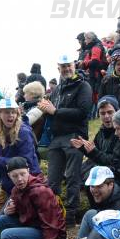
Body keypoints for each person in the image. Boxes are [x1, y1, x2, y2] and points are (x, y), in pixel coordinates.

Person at [40, 53, 93, 226]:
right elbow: (51, 112)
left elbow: (83, 111)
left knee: (72, 176)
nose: (67, 69)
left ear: (74, 65)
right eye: (63, 67)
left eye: (69, 65)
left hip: (74, 135)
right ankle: (53, 214)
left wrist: (55, 111)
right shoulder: (56, 90)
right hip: (56, 138)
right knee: (52, 180)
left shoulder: (83, 85)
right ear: (59, 69)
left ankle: (70, 216)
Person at [0, 98, 41, 214]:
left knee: (3, 220)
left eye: (13, 112)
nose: (10, 115)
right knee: (1, 219)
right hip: (10, 185)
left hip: (28, 184)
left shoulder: (23, 132)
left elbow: (25, 161)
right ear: (0, 114)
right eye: (7, 112)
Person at [72, 95, 120, 180]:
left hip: (115, 169)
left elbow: (115, 160)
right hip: (100, 164)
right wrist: (83, 148)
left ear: (117, 112)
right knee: (75, 172)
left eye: (110, 112)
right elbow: (94, 154)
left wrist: (93, 152)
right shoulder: (101, 131)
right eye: (102, 113)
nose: (106, 116)